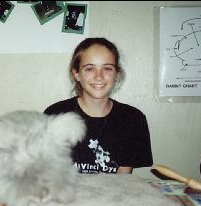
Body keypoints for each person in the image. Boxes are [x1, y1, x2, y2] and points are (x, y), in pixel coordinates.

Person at [44, 37, 153, 174]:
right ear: (77, 74)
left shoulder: (133, 119)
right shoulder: (55, 115)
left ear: (116, 74)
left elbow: (123, 181)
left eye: (107, 68)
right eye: (89, 69)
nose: (99, 76)